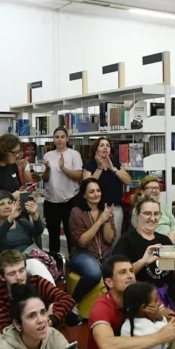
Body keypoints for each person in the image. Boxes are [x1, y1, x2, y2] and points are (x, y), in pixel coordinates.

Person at [114, 196, 175, 306]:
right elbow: (119, 276)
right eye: (147, 213)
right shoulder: (127, 241)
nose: (152, 218)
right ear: (137, 214)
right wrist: (143, 261)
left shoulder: (164, 240)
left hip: (164, 298)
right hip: (139, 300)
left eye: (156, 214)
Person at [0, 249, 77, 332]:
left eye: (21, 270)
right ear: (2, 277)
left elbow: (67, 299)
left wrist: (50, 320)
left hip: (42, 330)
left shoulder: (36, 281)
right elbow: (1, 329)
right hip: (13, 340)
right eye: (12, 273)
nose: (19, 277)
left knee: (54, 307)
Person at [0, 189, 56, 283]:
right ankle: (53, 294)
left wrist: (35, 215)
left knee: (35, 265)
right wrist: (10, 219)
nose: (7, 206)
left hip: (31, 259)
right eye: (2, 204)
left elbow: (38, 232)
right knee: (34, 264)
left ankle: (48, 294)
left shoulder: (22, 222)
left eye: (10, 203)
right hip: (8, 265)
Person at [68, 178, 116, 302]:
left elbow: (109, 239)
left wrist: (106, 219)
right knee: (94, 274)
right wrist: (100, 221)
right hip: (83, 254)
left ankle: (114, 304)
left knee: (122, 268)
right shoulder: (76, 212)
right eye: (92, 192)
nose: (96, 194)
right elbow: (82, 242)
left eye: (98, 191)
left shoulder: (105, 210)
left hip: (105, 253)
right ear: (84, 195)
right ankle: (72, 303)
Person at [40, 127, 84, 260]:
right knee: (53, 235)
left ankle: (74, 261)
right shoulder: (48, 155)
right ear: (53, 139)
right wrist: (47, 169)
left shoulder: (74, 154)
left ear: (67, 139)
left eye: (62, 137)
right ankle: (54, 263)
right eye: (57, 137)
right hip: (51, 201)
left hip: (70, 200)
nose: (59, 140)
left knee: (71, 234)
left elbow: (79, 176)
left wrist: (63, 168)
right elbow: (45, 178)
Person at [82, 137, 132, 235]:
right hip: (95, 209)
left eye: (107, 146)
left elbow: (128, 181)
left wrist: (114, 170)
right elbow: (86, 186)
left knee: (114, 238)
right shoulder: (90, 164)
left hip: (115, 208)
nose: (105, 148)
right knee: (97, 237)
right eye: (101, 145)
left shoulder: (115, 163)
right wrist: (99, 168)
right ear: (96, 149)